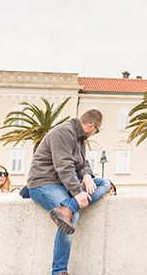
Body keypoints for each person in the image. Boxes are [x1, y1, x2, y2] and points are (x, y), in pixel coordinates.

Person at [27, 108, 110, 275]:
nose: (95, 133)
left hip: (62, 184)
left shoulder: (80, 138)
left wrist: (86, 175)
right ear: (90, 125)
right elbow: (64, 166)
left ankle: (67, 208)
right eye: (97, 130)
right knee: (74, 217)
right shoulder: (63, 133)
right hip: (43, 184)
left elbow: (81, 164)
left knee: (104, 184)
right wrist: (78, 192)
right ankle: (59, 271)